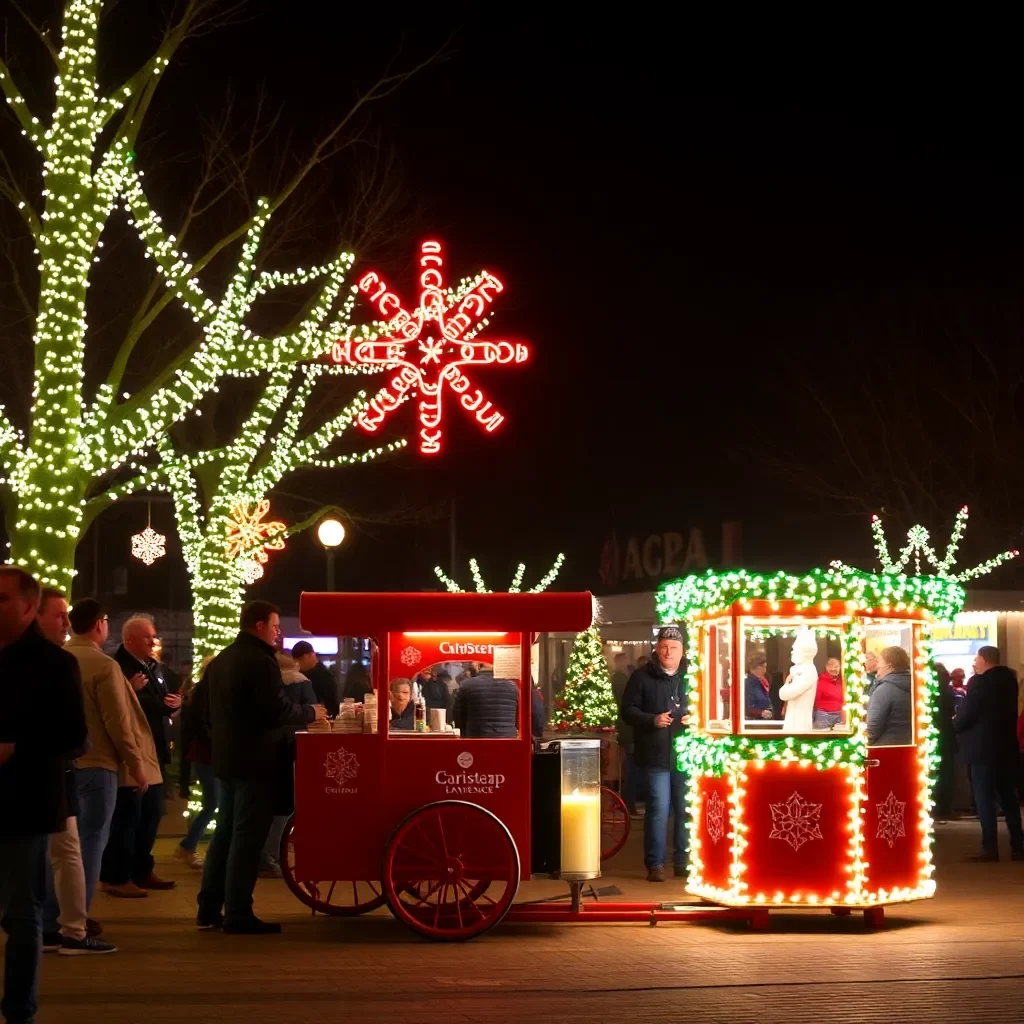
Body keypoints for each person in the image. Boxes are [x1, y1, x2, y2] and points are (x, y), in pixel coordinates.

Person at [197, 601, 326, 934]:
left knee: (225, 833)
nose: (279, 631)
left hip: (228, 759)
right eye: (274, 625)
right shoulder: (259, 661)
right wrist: (311, 712)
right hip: (256, 761)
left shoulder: (223, 659)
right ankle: (239, 913)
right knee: (247, 838)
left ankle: (209, 908)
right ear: (258, 626)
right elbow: (275, 710)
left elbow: (205, 710)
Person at [0, 567, 89, 1021]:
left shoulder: (55, 664)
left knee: (21, 915)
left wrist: (15, 748)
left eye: (2, 598)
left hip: (23, 805)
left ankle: (19, 1012)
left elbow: (75, 737)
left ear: (29, 606)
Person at [66, 599, 162, 904]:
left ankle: (61, 914)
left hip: (65, 761)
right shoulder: (104, 664)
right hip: (100, 762)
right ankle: (78, 915)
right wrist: (136, 765)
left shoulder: (60, 657)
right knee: (95, 838)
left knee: (66, 844)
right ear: (99, 624)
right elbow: (118, 721)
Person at [37, 588, 115, 955]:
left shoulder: (61, 659)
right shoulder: (66, 663)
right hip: (61, 770)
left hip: (57, 771)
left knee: (58, 851)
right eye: (57, 615)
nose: (65, 623)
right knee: (75, 849)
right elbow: (81, 731)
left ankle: (54, 928)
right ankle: (71, 929)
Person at [106, 614, 180, 895]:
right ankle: (118, 876)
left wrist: (175, 701)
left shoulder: (151, 666)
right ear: (130, 640)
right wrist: (159, 702)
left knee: (151, 814)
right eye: (147, 636)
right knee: (129, 817)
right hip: (133, 752)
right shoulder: (118, 667)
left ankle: (142, 869)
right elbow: (133, 706)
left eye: (154, 635)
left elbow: (163, 697)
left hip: (155, 750)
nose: (153, 640)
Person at [620, 626, 689, 882]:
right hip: (655, 755)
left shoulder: (692, 677)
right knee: (659, 809)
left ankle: (682, 861)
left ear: (683, 651)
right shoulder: (641, 677)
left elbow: (707, 705)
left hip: (685, 754)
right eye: (664, 647)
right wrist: (652, 720)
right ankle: (656, 864)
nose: (668, 651)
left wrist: (696, 717)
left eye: (674, 647)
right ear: (657, 649)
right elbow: (627, 710)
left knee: (685, 808)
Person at [954, 646, 1024, 862]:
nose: (974, 663)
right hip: (1006, 748)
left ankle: (989, 847)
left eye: (976, 659)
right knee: (1008, 797)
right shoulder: (1010, 681)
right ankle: (1018, 846)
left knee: (984, 798)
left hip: (982, 749)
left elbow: (967, 714)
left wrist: (956, 723)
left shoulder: (980, 682)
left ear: (984, 659)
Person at [176, 657, 218, 870]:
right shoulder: (205, 692)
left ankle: (189, 846)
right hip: (207, 754)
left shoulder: (203, 691)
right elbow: (201, 726)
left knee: (214, 802)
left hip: (207, 754)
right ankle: (188, 846)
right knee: (213, 802)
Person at [866, 646, 912, 746]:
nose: (877, 665)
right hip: (907, 746)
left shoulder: (884, 689)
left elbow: (872, 729)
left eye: (880, 661)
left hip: (884, 750)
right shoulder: (913, 685)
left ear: (889, 665)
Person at [452, 671, 519, 738]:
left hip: (476, 741)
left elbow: (458, 718)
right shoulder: (513, 686)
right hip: (508, 742)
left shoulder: (466, 685)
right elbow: (519, 718)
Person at [932, 663, 957, 822]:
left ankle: (937, 807)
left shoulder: (931, 694)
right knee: (947, 773)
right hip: (948, 736)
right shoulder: (949, 692)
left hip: (935, 735)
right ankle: (946, 806)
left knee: (936, 774)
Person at [291, 641, 339, 717]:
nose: (298, 663)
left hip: (321, 720)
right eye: (295, 660)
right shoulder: (296, 676)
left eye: (301, 659)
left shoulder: (325, 675)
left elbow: (331, 704)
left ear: (311, 655)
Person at [813, 657, 845, 730]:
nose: (835, 669)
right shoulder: (820, 680)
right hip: (823, 715)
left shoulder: (842, 682)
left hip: (839, 715)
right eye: (832, 666)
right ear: (827, 668)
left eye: (837, 667)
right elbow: (816, 699)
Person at [744, 652, 774, 720]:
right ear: (754, 667)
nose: (765, 670)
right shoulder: (748, 683)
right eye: (763, 667)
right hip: (753, 723)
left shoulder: (761, 681)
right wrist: (761, 712)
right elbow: (747, 708)